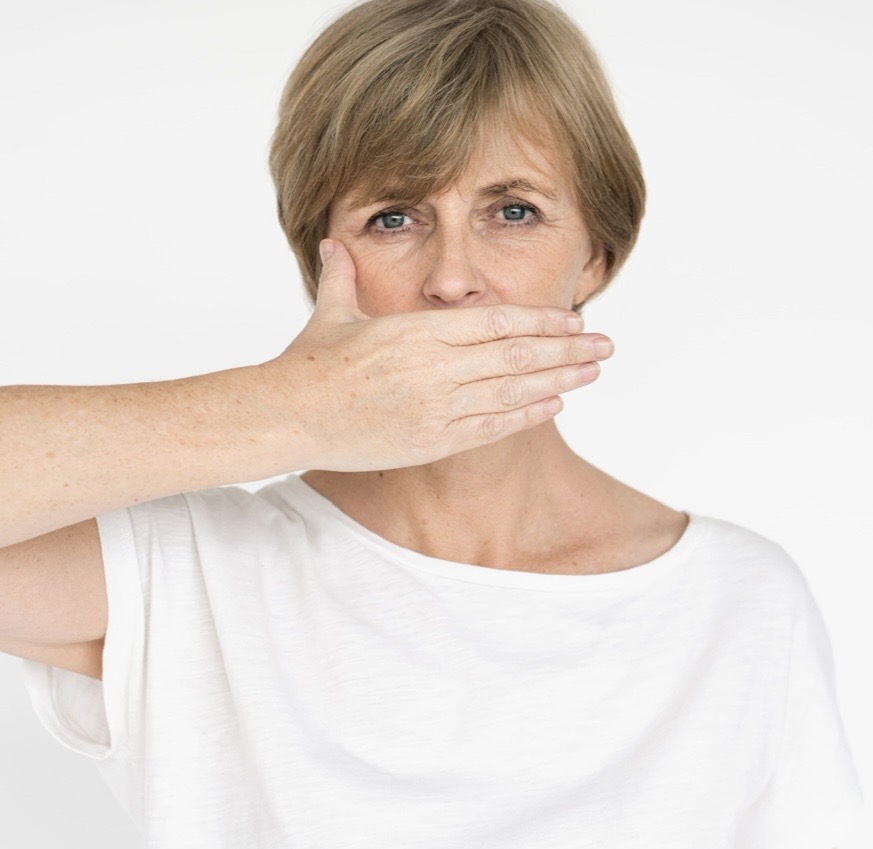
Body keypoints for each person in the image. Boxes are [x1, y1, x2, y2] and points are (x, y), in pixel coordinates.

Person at [0, 0, 864, 846]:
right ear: (324, 263)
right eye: (394, 218)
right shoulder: (185, 575)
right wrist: (291, 404)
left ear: (594, 255)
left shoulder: (738, 603)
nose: (452, 278)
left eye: (513, 210)